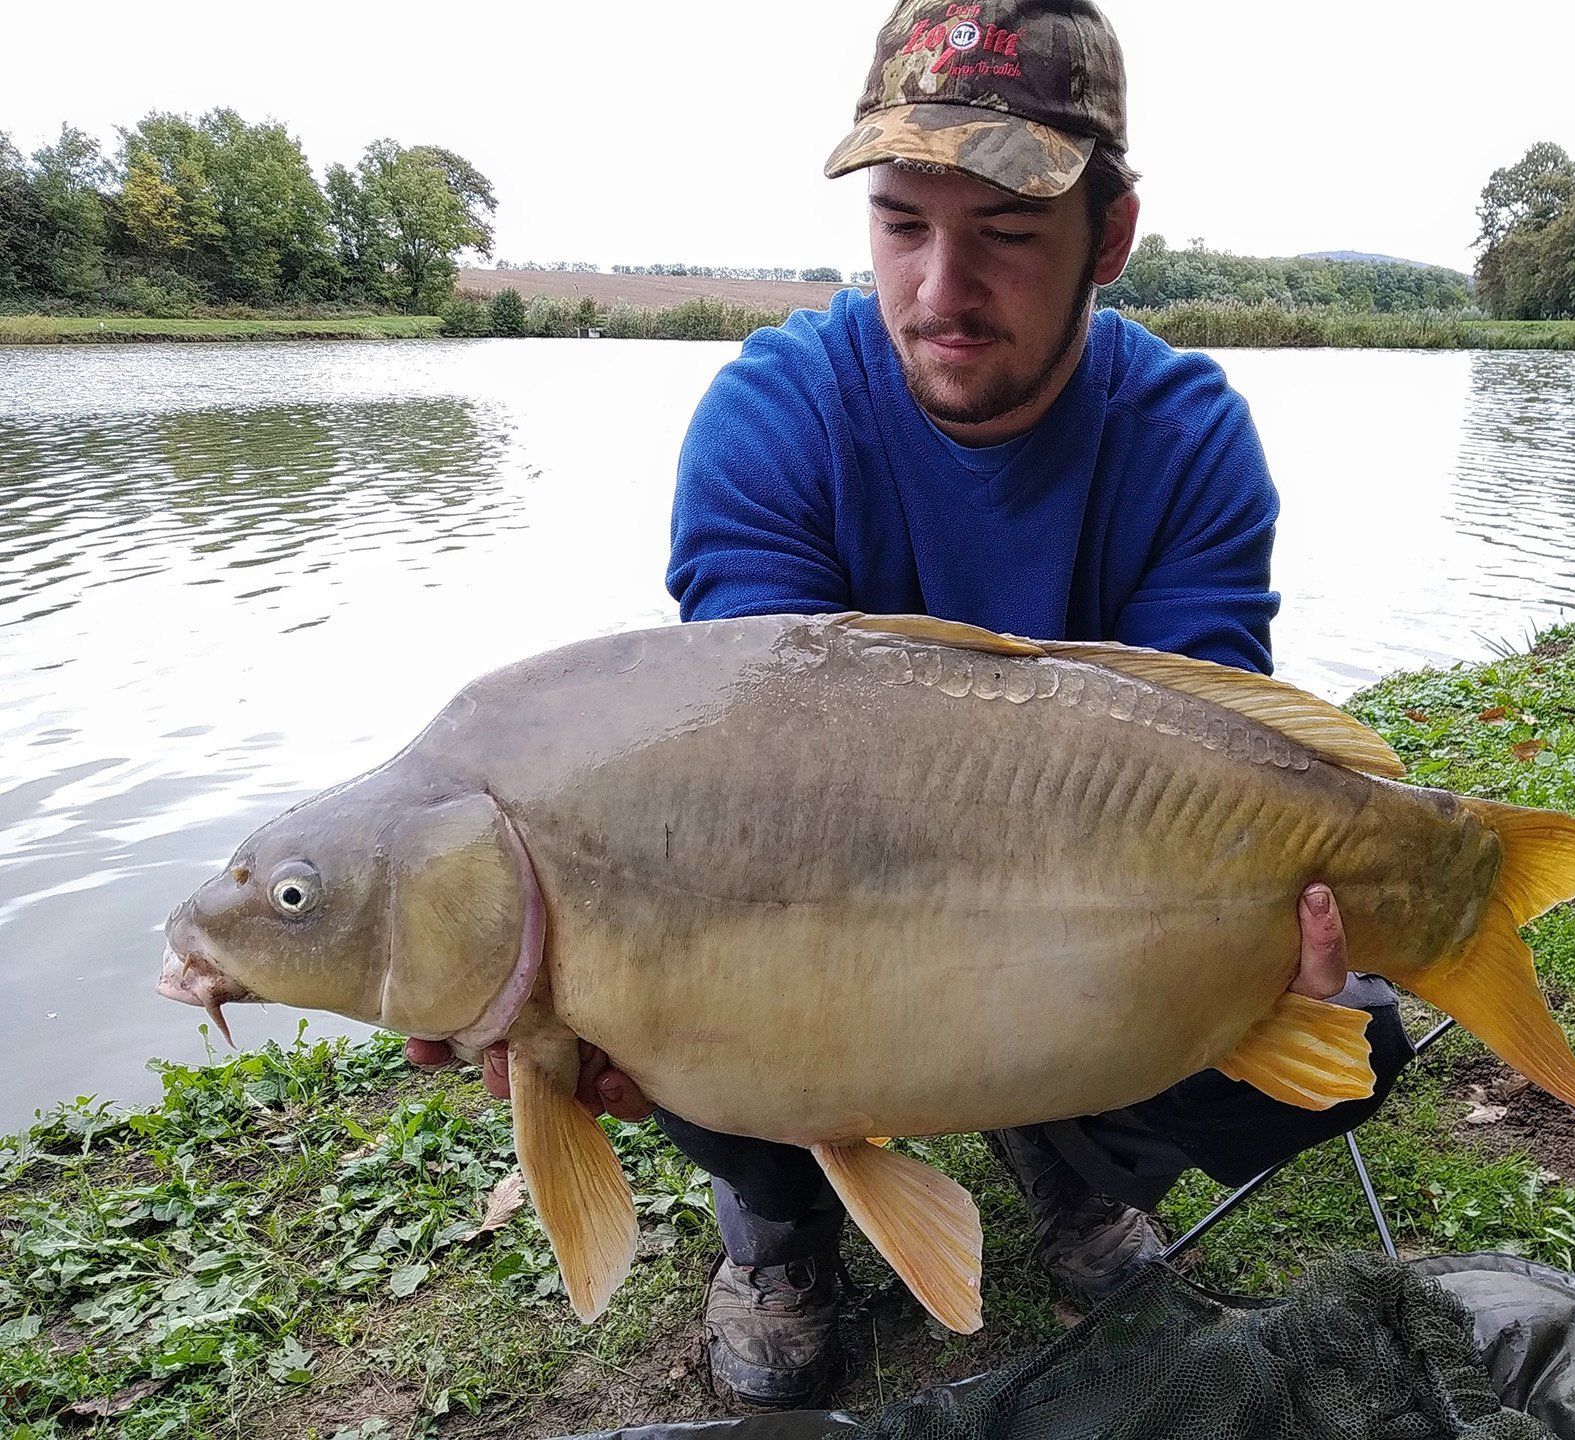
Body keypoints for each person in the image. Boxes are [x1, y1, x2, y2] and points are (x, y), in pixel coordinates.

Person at [411, 0, 1412, 1411]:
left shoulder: (1185, 439)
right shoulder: (775, 420)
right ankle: (781, 1218)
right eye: (901, 224)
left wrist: (1285, 930)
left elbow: (1223, 768)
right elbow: (742, 805)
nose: (943, 286)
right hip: (813, 906)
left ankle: (1064, 1154)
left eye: (1005, 233)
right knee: (658, 947)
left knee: (1345, 1042)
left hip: (1090, 930)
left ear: (1107, 243)